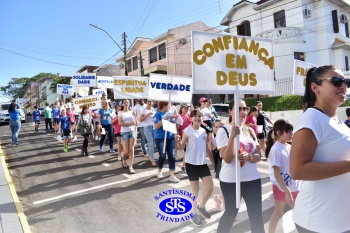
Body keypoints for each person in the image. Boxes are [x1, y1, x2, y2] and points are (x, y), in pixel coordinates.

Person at [290, 65, 350, 233]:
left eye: (345, 81)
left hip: (340, 219)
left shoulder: (335, 119)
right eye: (336, 81)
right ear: (315, 87)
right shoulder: (312, 118)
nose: (343, 86)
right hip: (319, 222)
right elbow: (297, 170)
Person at [216, 98, 264, 233]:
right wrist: (232, 137)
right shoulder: (223, 130)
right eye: (239, 109)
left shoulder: (250, 130)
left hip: (252, 179)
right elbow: (227, 158)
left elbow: (258, 156)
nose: (243, 111)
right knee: (231, 213)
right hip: (231, 181)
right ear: (230, 111)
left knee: (256, 216)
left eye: (245, 109)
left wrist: (248, 157)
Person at [175, 109, 214, 226]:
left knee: (210, 187)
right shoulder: (187, 131)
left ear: (202, 118)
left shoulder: (204, 131)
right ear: (191, 118)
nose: (197, 118)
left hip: (202, 163)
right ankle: (193, 214)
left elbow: (206, 148)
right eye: (195, 116)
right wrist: (177, 141)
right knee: (195, 190)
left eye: (200, 116)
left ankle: (201, 206)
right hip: (191, 164)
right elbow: (181, 147)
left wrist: (213, 161)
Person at [266, 119, 299, 233]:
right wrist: (287, 191)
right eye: (288, 131)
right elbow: (276, 173)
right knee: (278, 213)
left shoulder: (288, 146)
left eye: (292, 131)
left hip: (294, 186)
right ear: (279, 133)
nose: (291, 134)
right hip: (282, 188)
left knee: (300, 213)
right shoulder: (276, 149)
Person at [154, 101, 180, 183]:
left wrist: (175, 134)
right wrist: (163, 120)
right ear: (164, 106)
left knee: (171, 155)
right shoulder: (157, 114)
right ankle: (159, 170)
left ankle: (172, 175)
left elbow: (172, 125)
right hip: (160, 138)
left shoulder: (169, 114)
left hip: (170, 137)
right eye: (168, 105)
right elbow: (156, 126)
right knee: (162, 155)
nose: (170, 107)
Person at [118, 99, 136, 173]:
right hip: (124, 132)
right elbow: (120, 123)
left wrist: (135, 117)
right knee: (126, 151)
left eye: (127, 102)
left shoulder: (132, 112)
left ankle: (130, 166)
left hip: (132, 131)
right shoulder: (120, 113)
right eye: (124, 102)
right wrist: (130, 124)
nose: (126, 103)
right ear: (122, 104)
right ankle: (123, 158)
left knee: (131, 149)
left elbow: (135, 122)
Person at [140, 100, 157, 167]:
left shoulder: (154, 109)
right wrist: (147, 114)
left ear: (152, 103)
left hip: (154, 127)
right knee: (151, 144)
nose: (150, 103)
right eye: (148, 101)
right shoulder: (143, 110)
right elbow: (140, 120)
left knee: (154, 144)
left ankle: (149, 155)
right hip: (147, 128)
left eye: (151, 101)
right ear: (146, 102)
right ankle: (152, 160)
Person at [177, 103, 192, 173]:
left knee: (188, 151)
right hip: (183, 135)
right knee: (187, 151)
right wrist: (177, 135)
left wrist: (192, 108)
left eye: (187, 108)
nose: (186, 109)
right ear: (181, 109)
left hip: (190, 135)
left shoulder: (189, 115)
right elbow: (177, 127)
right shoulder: (179, 116)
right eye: (185, 108)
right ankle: (185, 165)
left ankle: (184, 165)